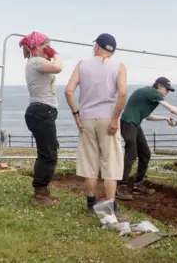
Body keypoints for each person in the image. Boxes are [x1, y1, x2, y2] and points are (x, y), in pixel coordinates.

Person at [64, 33, 129, 222]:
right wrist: (115, 118)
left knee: (89, 163)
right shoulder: (119, 66)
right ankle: (111, 207)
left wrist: (76, 114)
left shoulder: (82, 64)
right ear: (112, 51)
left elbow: (69, 91)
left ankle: (91, 205)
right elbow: (122, 93)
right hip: (108, 119)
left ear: (97, 47)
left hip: (86, 119)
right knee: (111, 163)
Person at [115, 77, 177, 201]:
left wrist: (165, 119)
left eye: (169, 90)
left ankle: (138, 184)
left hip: (134, 124)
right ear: (159, 86)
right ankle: (121, 187)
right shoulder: (153, 92)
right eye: (166, 89)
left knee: (145, 154)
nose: (167, 92)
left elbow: (148, 116)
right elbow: (171, 108)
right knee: (131, 153)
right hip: (128, 123)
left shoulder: (150, 95)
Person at [20, 31, 63, 206]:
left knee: (45, 153)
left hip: (41, 112)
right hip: (41, 111)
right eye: (47, 45)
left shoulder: (36, 62)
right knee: (49, 155)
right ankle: (39, 195)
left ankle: (42, 191)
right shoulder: (36, 61)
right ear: (37, 46)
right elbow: (58, 68)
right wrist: (57, 55)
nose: (50, 48)